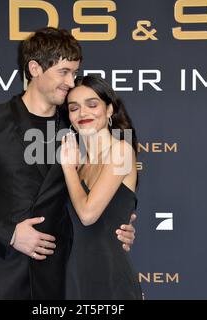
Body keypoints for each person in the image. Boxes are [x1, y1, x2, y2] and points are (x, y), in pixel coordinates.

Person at [0, 27, 136, 300]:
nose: (70, 82)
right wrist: (10, 235)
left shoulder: (78, 128)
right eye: (63, 72)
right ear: (35, 68)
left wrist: (120, 225)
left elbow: (106, 190)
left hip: (59, 281)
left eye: (74, 73)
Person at [60, 75, 143, 299]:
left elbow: (88, 215)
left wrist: (67, 169)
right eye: (74, 108)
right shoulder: (80, 164)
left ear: (109, 110)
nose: (82, 113)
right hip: (75, 277)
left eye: (92, 104)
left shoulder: (121, 151)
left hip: (109, 280)